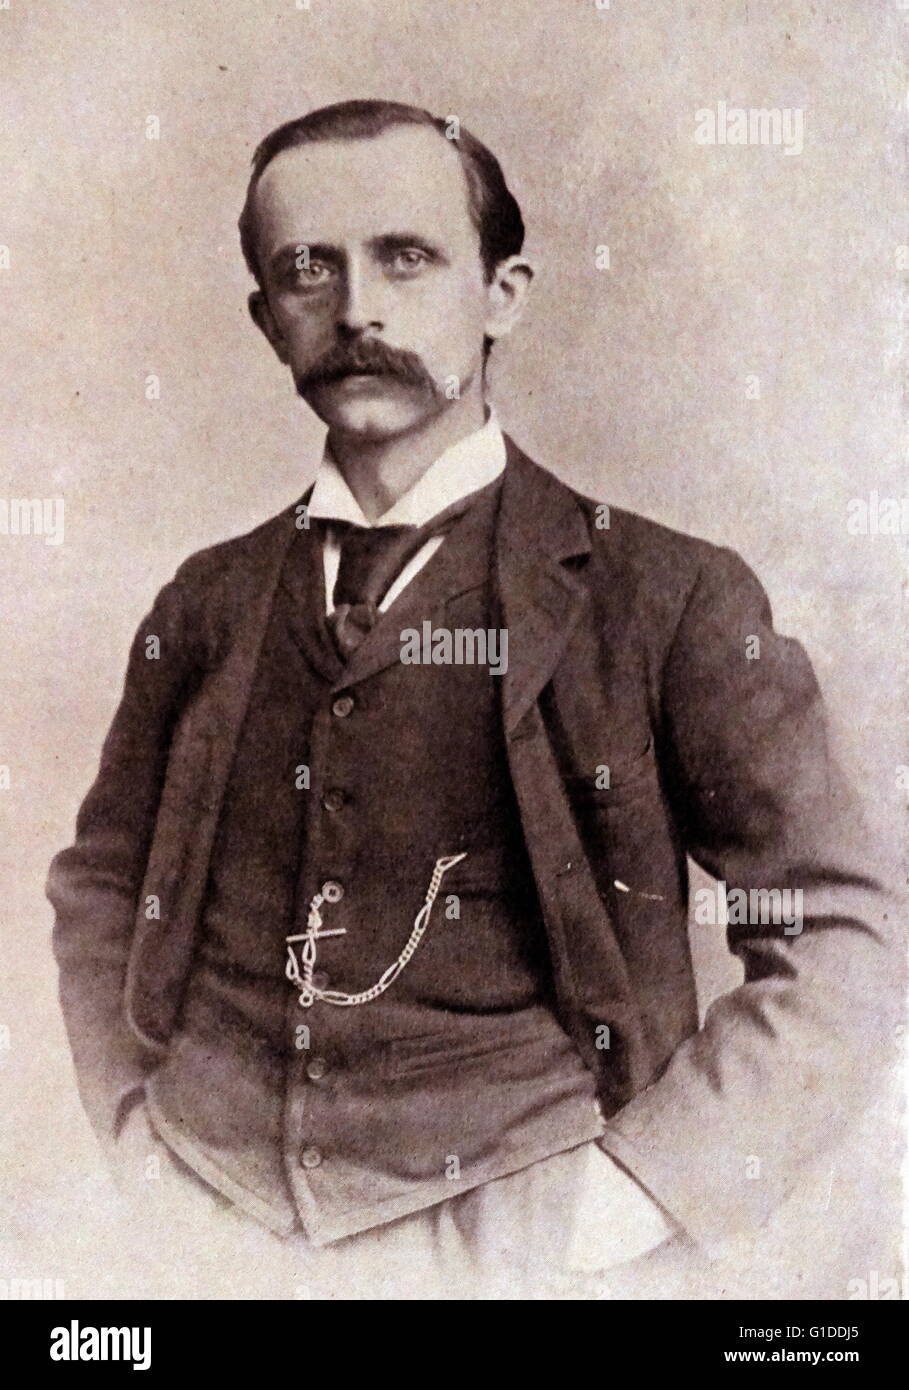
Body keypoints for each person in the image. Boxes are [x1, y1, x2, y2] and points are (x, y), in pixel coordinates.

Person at [47, 99, 897, 1300]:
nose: (357, 311)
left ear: (503, 294)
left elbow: (844, 926)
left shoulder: (665, 597)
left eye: (407, 257)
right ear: (265, 321)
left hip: (519, 1243)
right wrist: (134, 1133)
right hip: (204, 1226)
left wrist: (644, 1192)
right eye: (308, 270)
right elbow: (97, 881)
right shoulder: (206, 602)